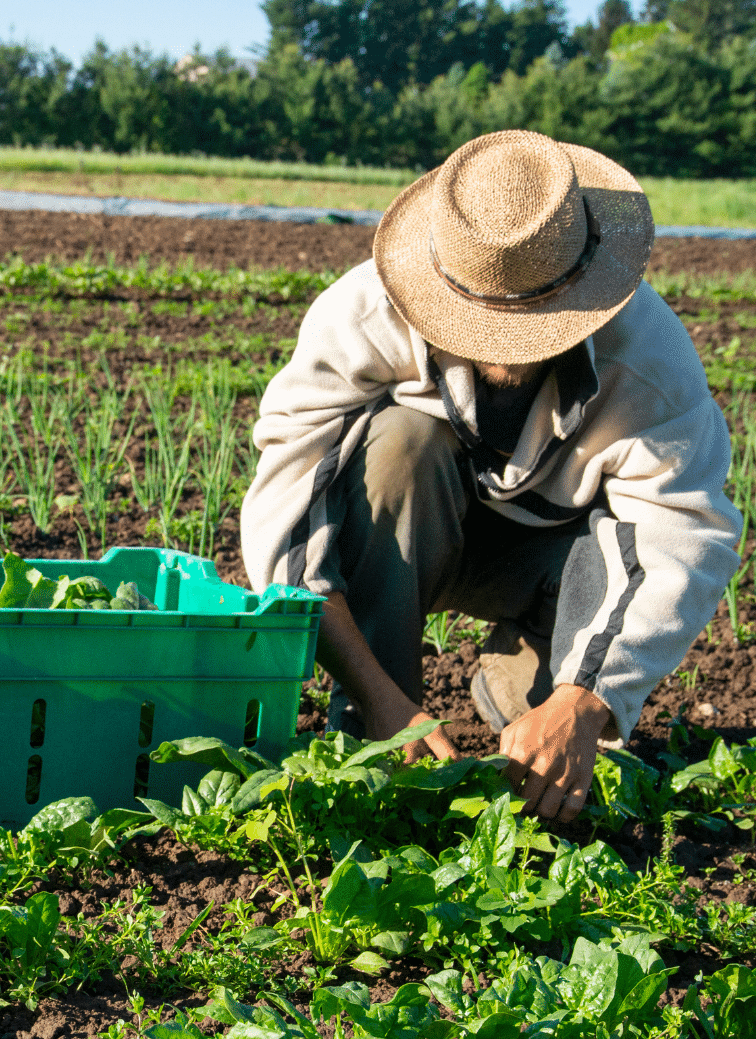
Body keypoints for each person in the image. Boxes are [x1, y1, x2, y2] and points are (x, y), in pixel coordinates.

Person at [240, 130, 741, 824]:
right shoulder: (361, 316)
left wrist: (583, 703)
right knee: (398, 444)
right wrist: (384, 703)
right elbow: (288, 521)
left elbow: (682, 535)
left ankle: (524, 679)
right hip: (412, 535)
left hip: (549, 562)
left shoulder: (648, 359)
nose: (506, 353)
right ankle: (372, 731)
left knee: (550, 760)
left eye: (534, 326)